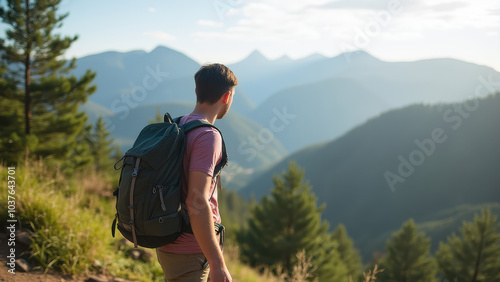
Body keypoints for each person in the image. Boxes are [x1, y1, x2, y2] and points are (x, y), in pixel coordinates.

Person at [156, 63, 238, 282]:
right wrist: (217, 263)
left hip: (169, 240)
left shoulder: (180, 124)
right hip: (189, 247)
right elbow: (196, 199)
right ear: (227, 97)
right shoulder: (208, 136)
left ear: (196, 92)